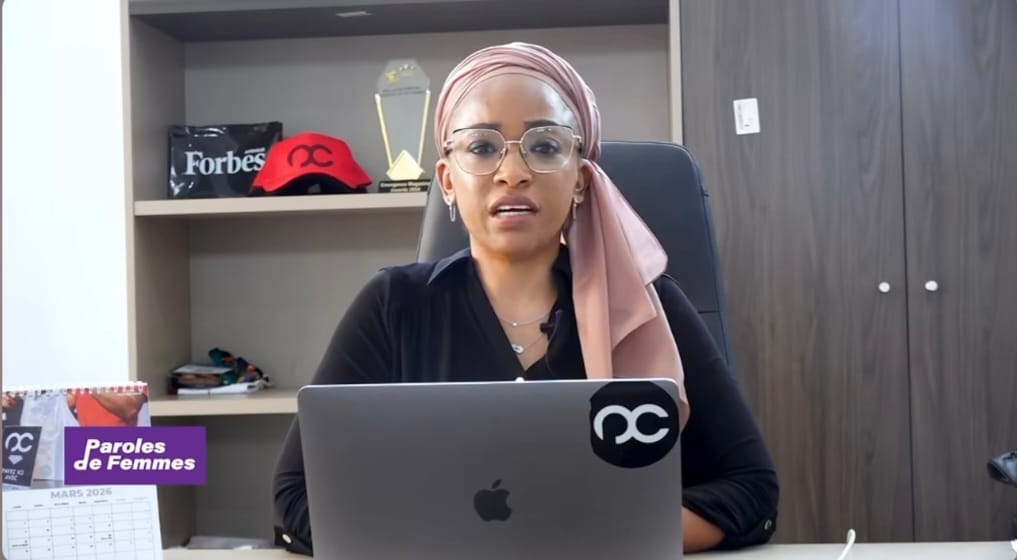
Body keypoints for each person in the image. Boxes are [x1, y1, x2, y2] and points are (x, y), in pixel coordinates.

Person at [272, 42, 779, 555]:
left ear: (581, 179)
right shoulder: (393, 307)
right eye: (481, 147)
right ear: (447, 181)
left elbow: (752, 490)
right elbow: (296, 498)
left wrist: (595, 540)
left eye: (544, 146)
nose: (512, 172)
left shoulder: (651, 307)